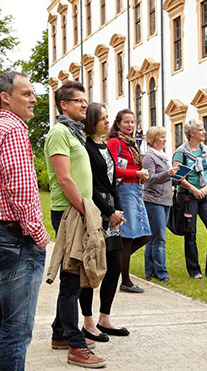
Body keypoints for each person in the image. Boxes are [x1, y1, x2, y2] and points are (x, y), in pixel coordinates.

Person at [0, 71, 50, 371]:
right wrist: (39, 234)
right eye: (27, 93)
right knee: (16, 331)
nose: (33, 99)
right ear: (6, 97)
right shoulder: (14, 131)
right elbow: (21, 188)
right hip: (16, 238)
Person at [45, 81, 107, 368]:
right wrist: (85, 211)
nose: (85, 104)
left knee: (74, 277)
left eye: (85, 100)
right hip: (70, 212)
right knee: (71, 280)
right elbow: (64, 179)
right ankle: (75, 345)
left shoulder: (74, 133)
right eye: (78, 101)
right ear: (63, 106)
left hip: (79, 210)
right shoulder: (59, 133)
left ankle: (60, 334)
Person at [79, 102, 130, 341]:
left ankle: (104, 318)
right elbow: (91, 187)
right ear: (91, 121)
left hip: (111, 212)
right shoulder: (86, 147)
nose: (107, 122)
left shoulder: (105, 146)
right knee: (91, 267)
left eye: (108, 117)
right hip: (96, 212)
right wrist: (109, 210)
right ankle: (88, 322)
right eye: (102, 118)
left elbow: (112, 181)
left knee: (115, 265)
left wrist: (118, 209)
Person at [172, 119, 207, 280]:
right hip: (188, 196)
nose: (204, 132)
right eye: (201, 129)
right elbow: (177, 176)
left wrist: (204, 189)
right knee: (191, 234)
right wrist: (193, 189)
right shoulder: (181, 152)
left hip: (205, 196)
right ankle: (194, 271)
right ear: (191, 133)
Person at [107, 109, 151, 293]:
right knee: (128, 237)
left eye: (133, 122)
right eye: (126, 122)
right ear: (118, 124)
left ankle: (113, 262)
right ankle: (124, 280)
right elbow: (112, 169)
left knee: (145, 235)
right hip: (124, 190)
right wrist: (136, 173)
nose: (130, 125)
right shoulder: (115, 142)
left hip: (135, 189)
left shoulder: (132, 143)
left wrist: (140, 176)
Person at [142, 126, 178, 283]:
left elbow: (166, 178)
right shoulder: (149, 157)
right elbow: (149, 179)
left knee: (154, 238)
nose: (164, 140)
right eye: (161, 137)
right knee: (159, 239)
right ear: (153, 139)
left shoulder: (163, 157)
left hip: (165, 200)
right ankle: (162, 273)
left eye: (165, 137)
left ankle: (150, 271)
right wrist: (167, 174)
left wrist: (179, 175)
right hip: (154, 200)